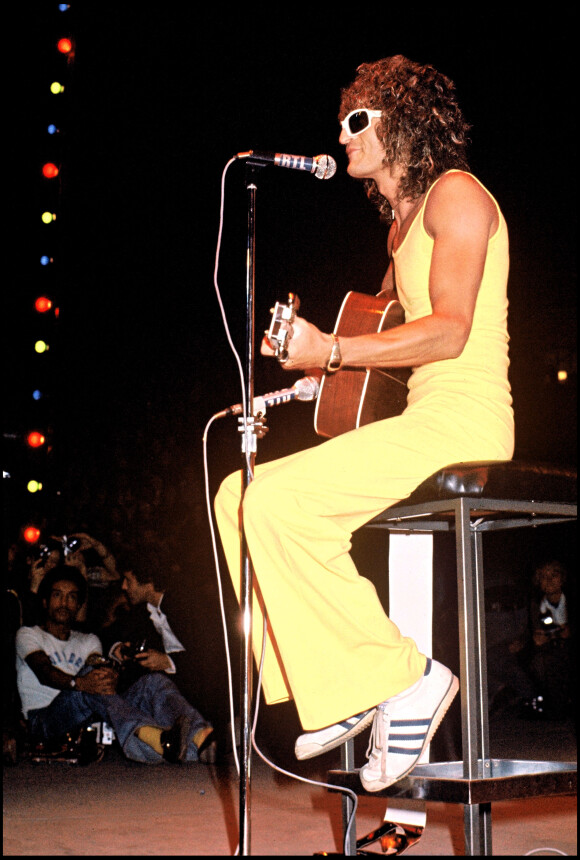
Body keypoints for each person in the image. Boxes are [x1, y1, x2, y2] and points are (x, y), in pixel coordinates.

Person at [215, 55, 514, 791]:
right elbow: (387, 333)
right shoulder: (399, 232)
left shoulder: (458, 197)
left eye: (357, 121)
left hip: (466, 420)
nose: (342, 136)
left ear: (403, 124)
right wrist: (325, 368)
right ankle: (339, 685)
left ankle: (401, 678)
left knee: (278, 504)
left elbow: (447, 332)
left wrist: (335, 347)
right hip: (424, 415)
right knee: (235, 495)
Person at [15, 564, 215, 764]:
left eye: (72, 597)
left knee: (152, 682)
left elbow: (97, 666)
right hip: (44, 720)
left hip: (89, 716)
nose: (64, 603)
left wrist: (112, 670)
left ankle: (201, 738)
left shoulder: (89, 640)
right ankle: (157, 738)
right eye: (57, 595)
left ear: (78, 606)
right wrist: (81, 683)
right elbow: (45, 672)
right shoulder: (28, 634)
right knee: (90, 681)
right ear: (45, 601)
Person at [100, 547, 217, 762]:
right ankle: (197, 744)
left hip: (207, 691)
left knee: (155, 682)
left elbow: (212, 657)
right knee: (150, 687)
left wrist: (168, 661)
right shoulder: (143, 611)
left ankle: (204, 736)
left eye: (128, 580)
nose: (124, 586)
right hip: (170, 692)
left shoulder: (188, 603)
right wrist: (117, 646)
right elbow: (106, 633)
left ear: (147, 579)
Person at [527, 560, 574, 718]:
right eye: (543, 577)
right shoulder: (536, 605)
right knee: (540, 662)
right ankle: (554, 706)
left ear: (562, 578)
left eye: (554, 575)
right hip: (549, 648)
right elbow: (533, 632)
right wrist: (536, 638)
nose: (549, 580)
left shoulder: (569, 600)